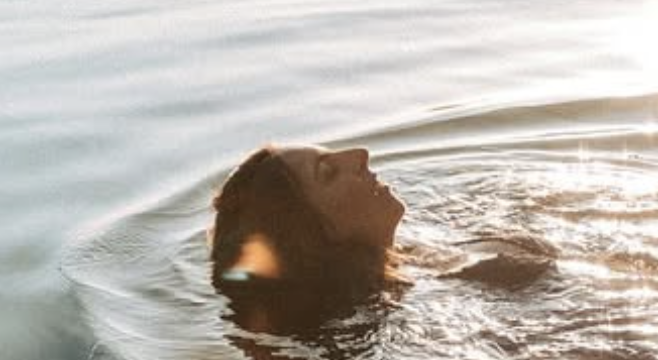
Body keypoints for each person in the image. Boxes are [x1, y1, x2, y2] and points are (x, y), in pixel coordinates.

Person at [210, 143, 552, 336]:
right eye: (328, 172)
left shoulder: (412, 267)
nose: (359, 155)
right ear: (317, 234)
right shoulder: (437, 297)